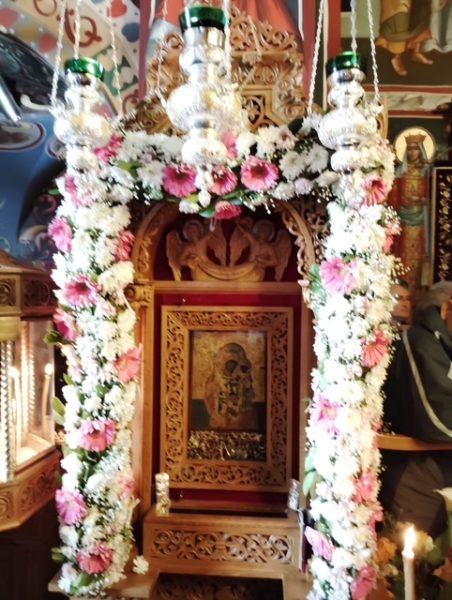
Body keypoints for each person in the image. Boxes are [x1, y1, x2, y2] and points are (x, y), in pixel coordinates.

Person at [380, 281, 452, 538]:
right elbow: (439, 418)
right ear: (447, 309)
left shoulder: (442, 344)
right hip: (418, 478)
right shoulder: (419, 342)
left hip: (441, 471)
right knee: (418, 559)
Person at [388, 133, 432, 289]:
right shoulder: (400, 172)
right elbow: (393, 200)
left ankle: (420, 290)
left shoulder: (427, 172)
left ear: (421, 150)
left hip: (422, 221)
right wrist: (401, 204)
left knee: (421, 257)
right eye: (410, 149)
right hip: (404, 221)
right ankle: (402, 289)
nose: (412, 152)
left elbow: (433, 197)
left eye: (416, 149)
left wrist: (421, 200)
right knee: (402, 255)